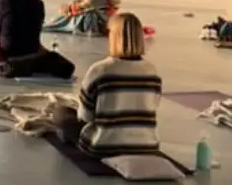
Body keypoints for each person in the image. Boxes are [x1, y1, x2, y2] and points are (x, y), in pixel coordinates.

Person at [54, 12, 161, 157]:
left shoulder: (101, 70)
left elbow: (85, 116)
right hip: (147, 146)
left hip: (103, 147)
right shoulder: (152, 71)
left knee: (61, 113)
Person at [0, 0, 75, 79]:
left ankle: (17, 64)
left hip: (8, 52)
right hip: (32, 50)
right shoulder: (39, 4)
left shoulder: (4, 2)